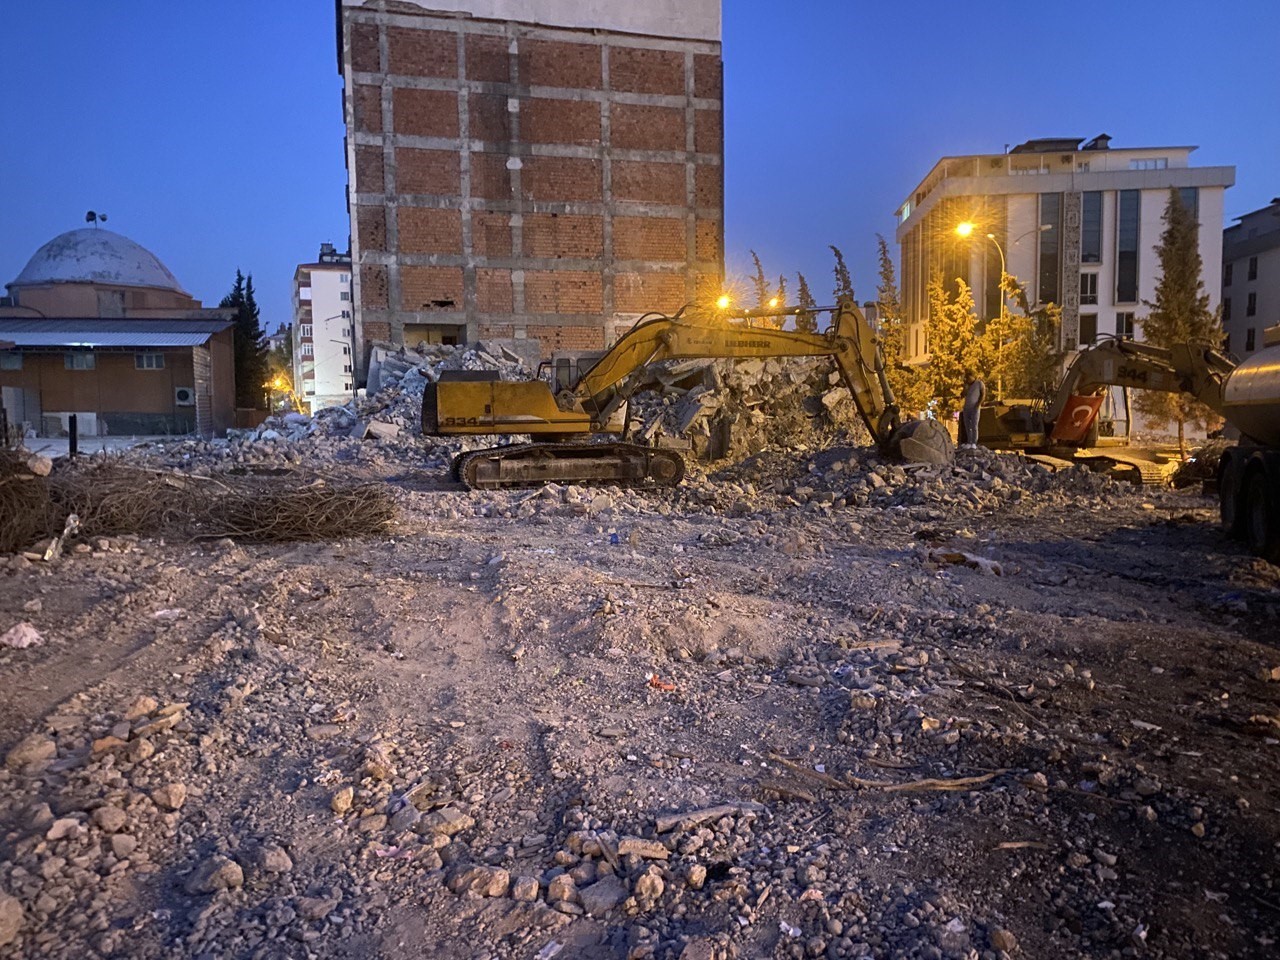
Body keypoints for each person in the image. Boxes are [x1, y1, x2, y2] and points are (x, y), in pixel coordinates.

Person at [958, 376, 986, 449]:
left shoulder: (979, 383)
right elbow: (962, 395)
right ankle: (969, 441)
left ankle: (974, 442)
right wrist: (965, 388)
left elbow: (983, 394)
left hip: (975, 408)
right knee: (967, 426)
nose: (968, 380)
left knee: (974, 425)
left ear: (973, 376)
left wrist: (978, 404)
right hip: (967, 408)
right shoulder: (968, 385)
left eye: (968, 378)